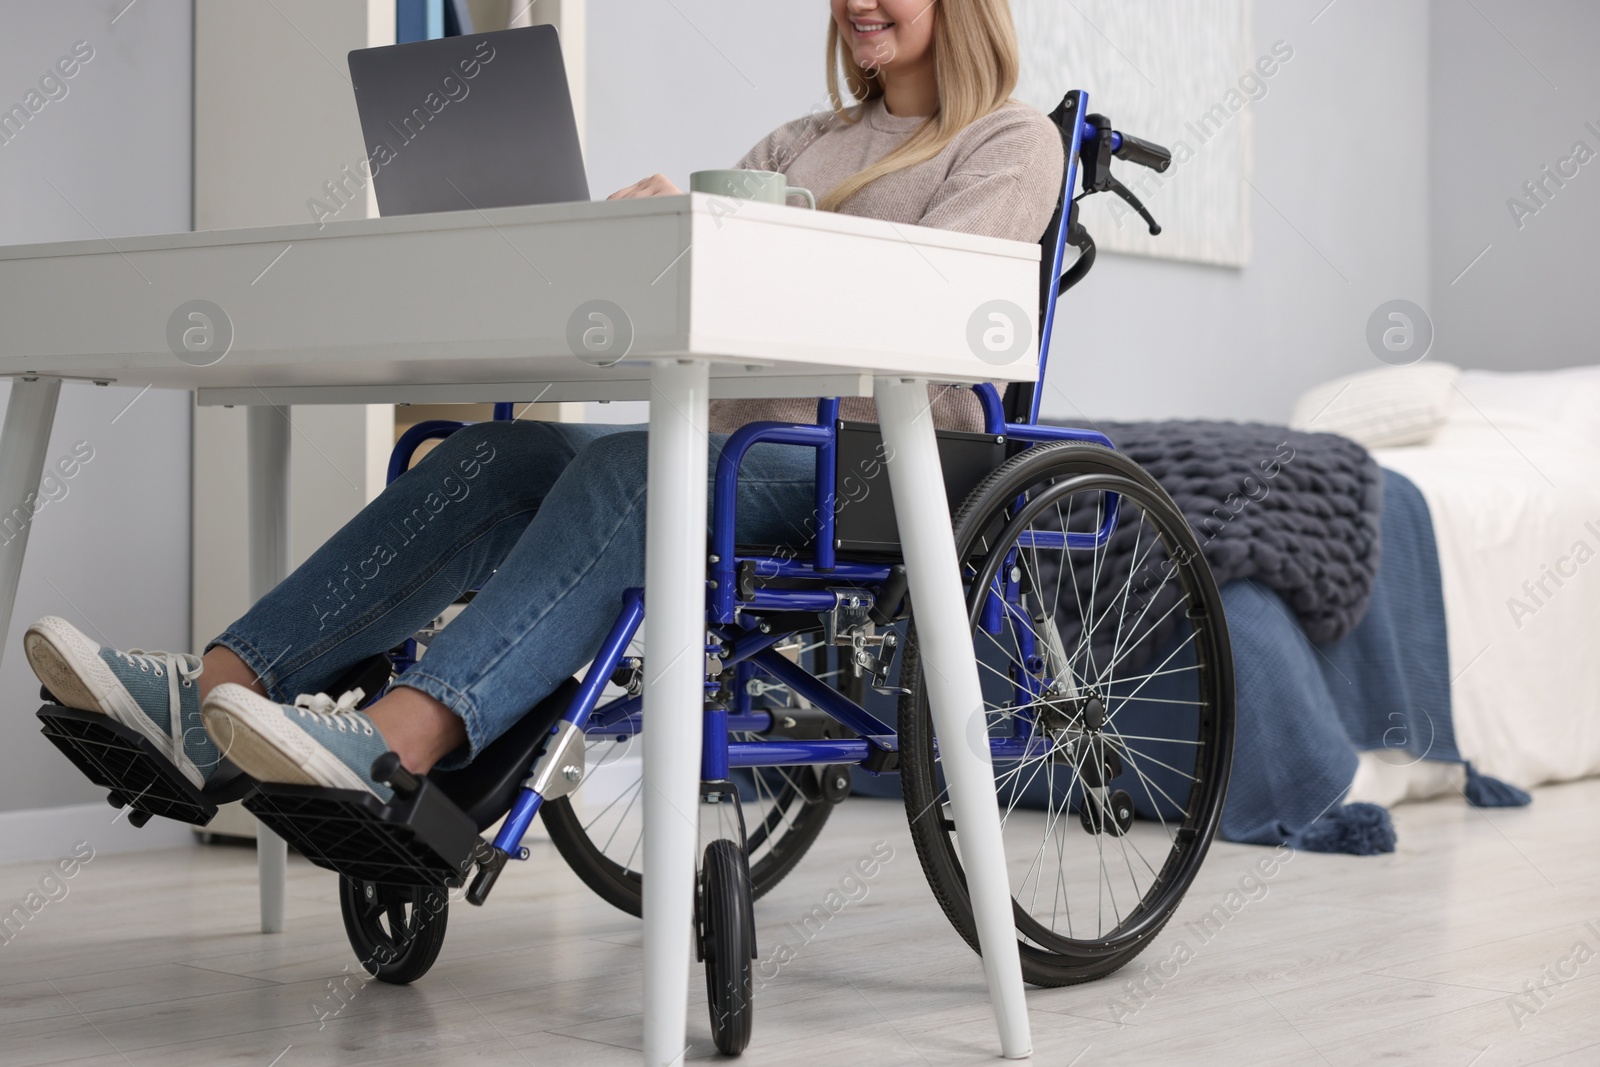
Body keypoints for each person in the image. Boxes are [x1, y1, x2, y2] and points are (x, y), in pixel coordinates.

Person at [23, 0, 1064, 802]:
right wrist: (657, 232)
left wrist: (754, 238)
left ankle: (398, 739)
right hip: (732, 445)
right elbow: (707, 284)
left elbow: (933, 311)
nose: (857, 1)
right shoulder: (801, 140)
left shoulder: (1007, 142)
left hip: (880, 463)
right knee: (494, 454)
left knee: (631, 466)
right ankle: (217, 690)